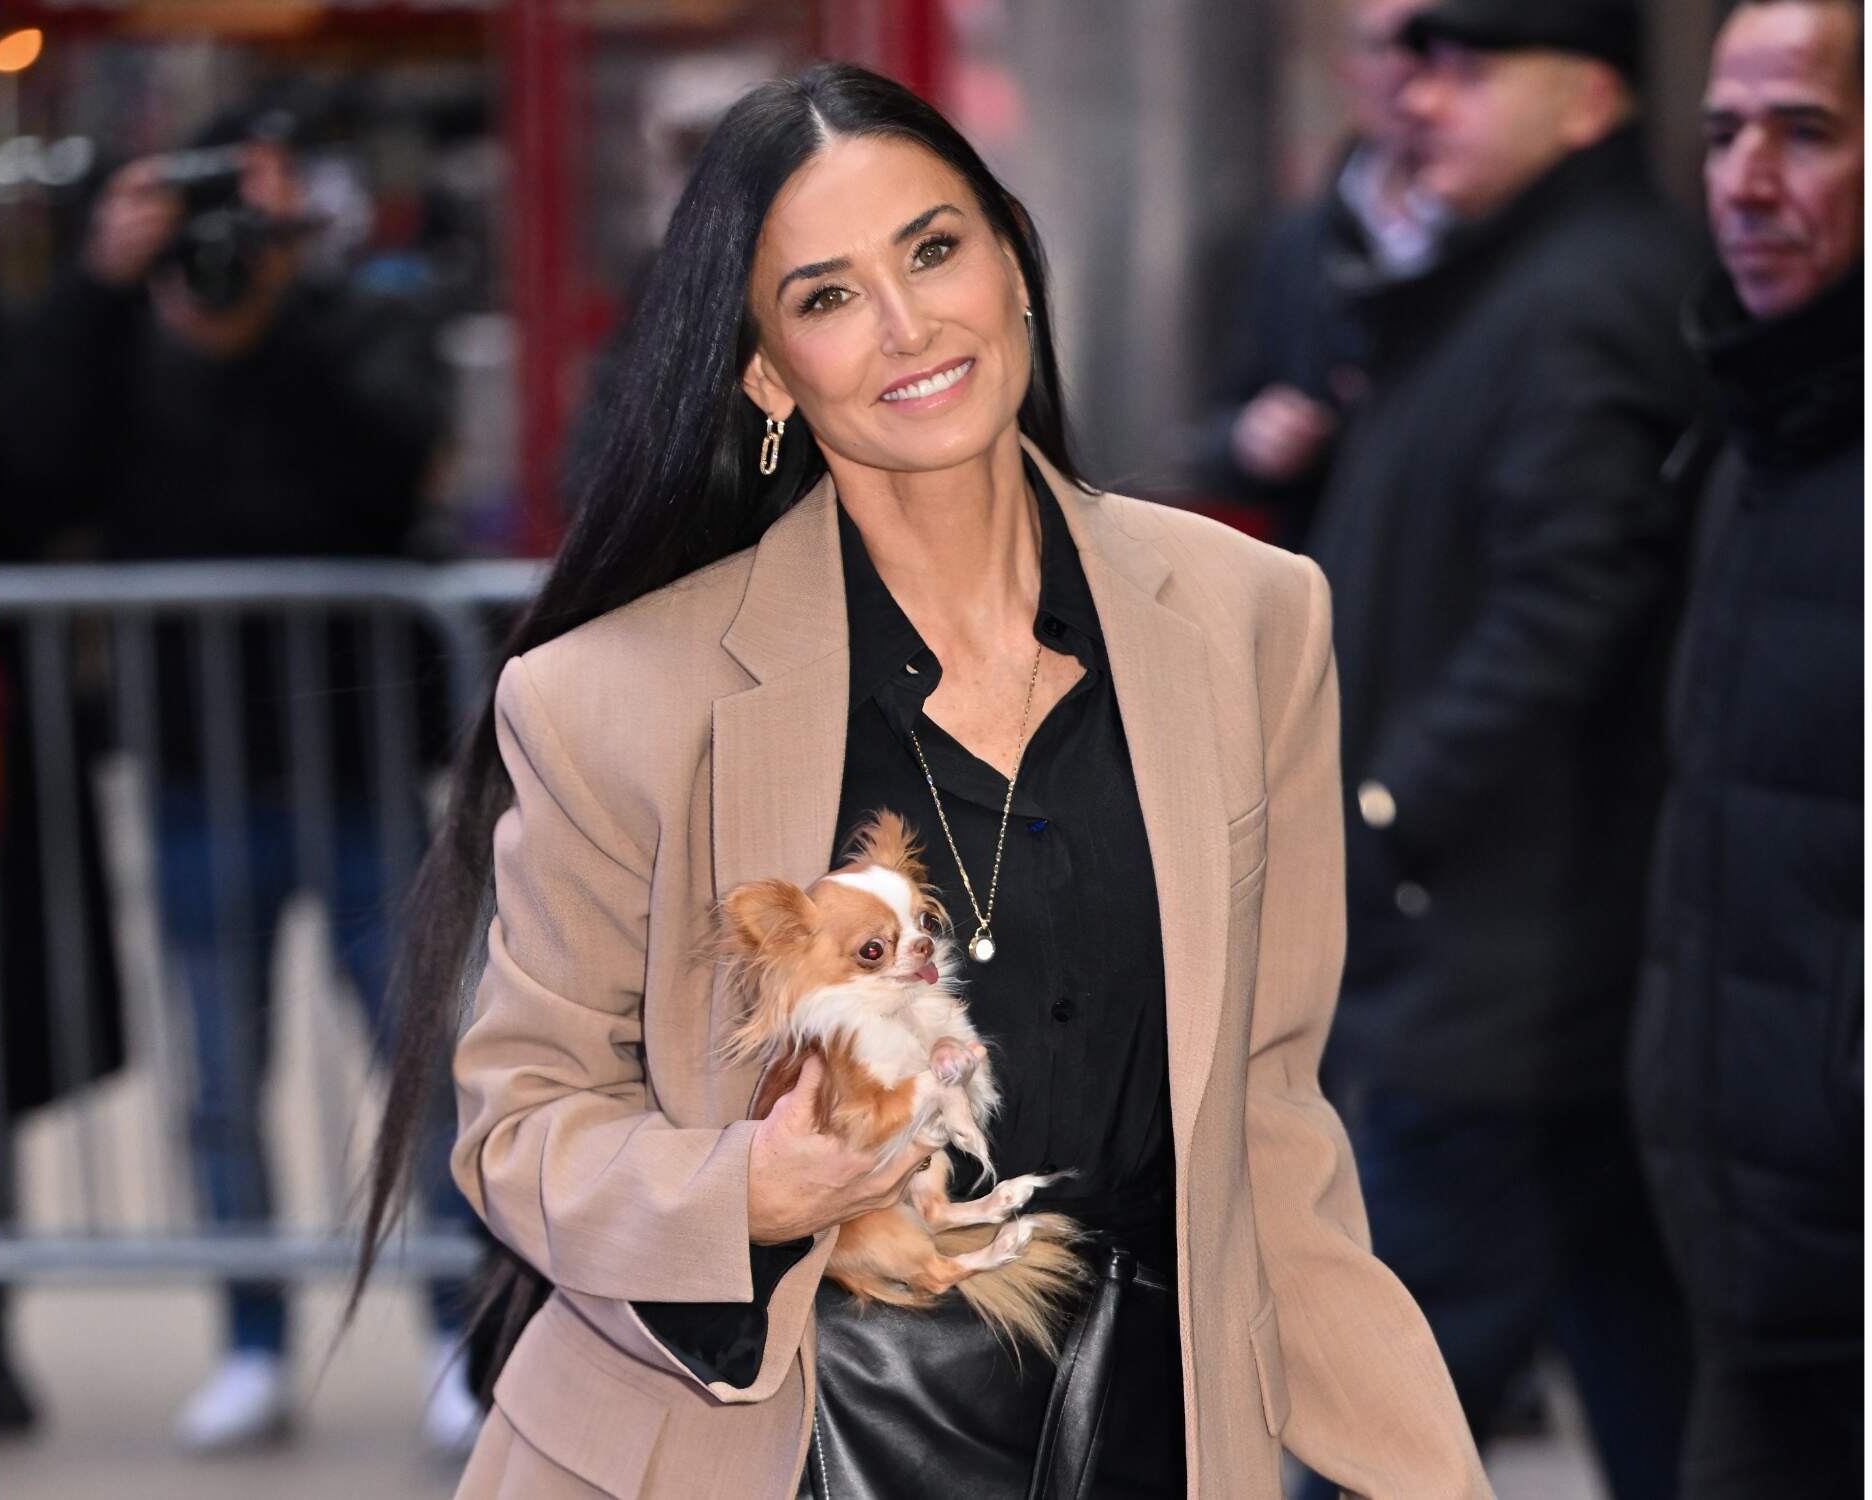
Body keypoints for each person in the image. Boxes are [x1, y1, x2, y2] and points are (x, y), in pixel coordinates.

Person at [356, 62, 1488, 1498]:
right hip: (781, 1435)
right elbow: (522, 1123)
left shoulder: (1252, 618)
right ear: (766, 369)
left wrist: (1418, 1465)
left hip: (1135, 1424)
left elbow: (1269, 1120)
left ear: (1012, 256)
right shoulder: (611, 699)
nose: (906, 326)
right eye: (825, 297)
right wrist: (747, 1193)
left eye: (935, 249)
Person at [13, 115, 473, 1452]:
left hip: (360, 772)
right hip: (194, 775)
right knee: (218, 1086)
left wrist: (290, 294)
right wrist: (102, 288)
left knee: (420, 1076)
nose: (215, 258)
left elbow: (386, 475)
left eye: (239, 226)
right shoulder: (122, 353)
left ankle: (460, 1340)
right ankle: (255, 1346)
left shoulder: (347, 328)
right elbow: (34, 477)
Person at [1292, 2, 1703, 1493]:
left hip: (1507, 966)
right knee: (1651, 1376)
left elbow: (1565, 607)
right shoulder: (1501, 279)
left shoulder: (1582, 292)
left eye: (1469, 70)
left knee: (1378, 1405)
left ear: (1586, 98)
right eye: (1412, 63)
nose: (1419, 97)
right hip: (1521, 959)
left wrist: (1388, 807)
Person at [1634, 2, 1864, 1494]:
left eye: (1806, 131)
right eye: (1722, 134)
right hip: (1738, 1244)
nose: (1747, 180)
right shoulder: (1751, 424)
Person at [1188, 0, 1443, 550]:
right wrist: (1254, 438)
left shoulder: (1496, 235)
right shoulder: (1297, 242)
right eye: (1379, 47)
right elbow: (1215, 433)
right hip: (1332, 569)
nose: (1403, 70)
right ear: (1348, 70)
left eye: (1423, 44)